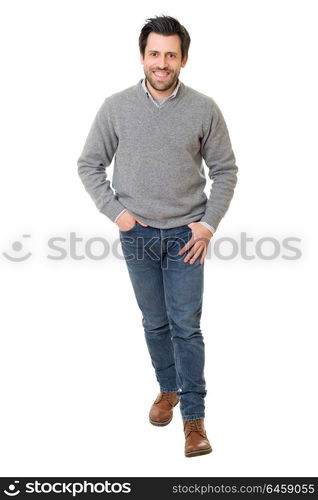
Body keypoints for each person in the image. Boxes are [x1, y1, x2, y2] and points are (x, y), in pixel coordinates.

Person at [77, 15, 238, 457]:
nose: (161, 63)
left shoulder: (204, 108)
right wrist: (119, 216)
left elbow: (225, 170)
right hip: (139, 235)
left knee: (186, 327)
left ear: (183, 58)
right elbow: (89, 164)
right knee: (154, 322)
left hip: (188, 236)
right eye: (154, 54)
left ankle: (194, 420)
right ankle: (168, 389)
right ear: (143, 56)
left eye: (171, 54)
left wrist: (207, 225)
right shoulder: (116, 107)